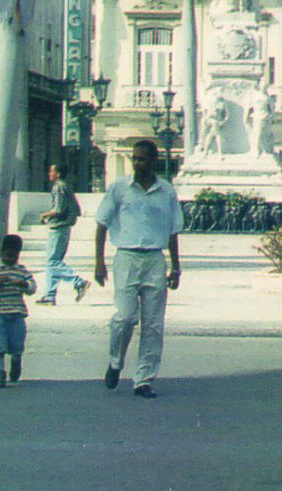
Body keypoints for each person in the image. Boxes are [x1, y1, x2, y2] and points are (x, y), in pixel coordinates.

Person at [94, 139, 183, 398]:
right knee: (125, 317)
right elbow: (101, 224)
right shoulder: (119, 188)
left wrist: (176, 268)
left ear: (154, 161)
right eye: (135, 158)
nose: (137, 163)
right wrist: (99, 262)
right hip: (126, 258)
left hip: (155, 260)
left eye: (142, 159)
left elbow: (173, 232)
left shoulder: (166, 192)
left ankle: (143, 379)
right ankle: (115, 361)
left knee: (153, 324)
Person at [0, 233, 36, 388]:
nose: (12, 259)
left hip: (17, 311)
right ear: (2, 252)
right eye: (8, 255)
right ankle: (0, 372)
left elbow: (32, 287)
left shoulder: (21, 270)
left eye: (15, 256)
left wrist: (22, 284)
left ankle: (16, 360)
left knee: (17, 341)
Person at [37, 164, 90, 304]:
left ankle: (78, 282)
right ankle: (49, 295)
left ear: (58, 174)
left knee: (52, 261)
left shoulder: (58, 187)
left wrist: (44, 215)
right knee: (53, 262)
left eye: (51, 171)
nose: (49, 173)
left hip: (59, 228)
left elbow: (58, 209)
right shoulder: (66, 187)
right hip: (63, 228)